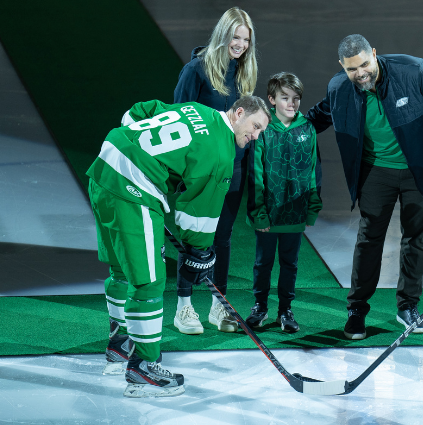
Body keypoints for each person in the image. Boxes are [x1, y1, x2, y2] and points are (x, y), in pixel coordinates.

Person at [88, 96, 270, 397]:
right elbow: (199, 209)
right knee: (148, 281)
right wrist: (200, 252)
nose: (255, 136)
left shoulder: (197, 110)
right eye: (255, 126)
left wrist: (136, 148)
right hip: (133, 189)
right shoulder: (221, 152)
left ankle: (120, 346)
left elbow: (139, 111)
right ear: (239, 113)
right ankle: (143, 367)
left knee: (122, 270)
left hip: (105, 166)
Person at [306, 34, 423, 340]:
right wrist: (280, 129)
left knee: (415, 238)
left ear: (374, 54)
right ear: (342, 66)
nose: (361, 73)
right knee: (369, 239)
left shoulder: (416, 72)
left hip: (421, 171)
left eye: (365, 64)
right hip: (375, 173)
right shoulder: (339, 87)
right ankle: (356, 310)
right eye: (352, 69)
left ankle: (408, 307)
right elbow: (318, 117)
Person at [172, 6, 258, 335]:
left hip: (233, 172)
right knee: (196, 239)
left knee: (221, 240)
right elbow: (179, 121)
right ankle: (184, 308)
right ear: (223, 35)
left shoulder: (243, 74)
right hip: (202, 174)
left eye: (245, 39)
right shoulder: (195, 71)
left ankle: (218, 306)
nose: (240, 44)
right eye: (235, 37)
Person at [245, 72, 322, 333]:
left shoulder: (307, 129)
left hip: (295, 214)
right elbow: (255, 175)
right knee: (263, 262)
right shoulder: (263, 130)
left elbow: (313, 171)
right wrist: (259, 213)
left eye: (296, 98)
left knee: (290, 264)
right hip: (269, 214)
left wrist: (311, 208)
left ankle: (285, 310)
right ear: (271, 99)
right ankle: (260, 306)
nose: (292, 103)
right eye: (285, 97)